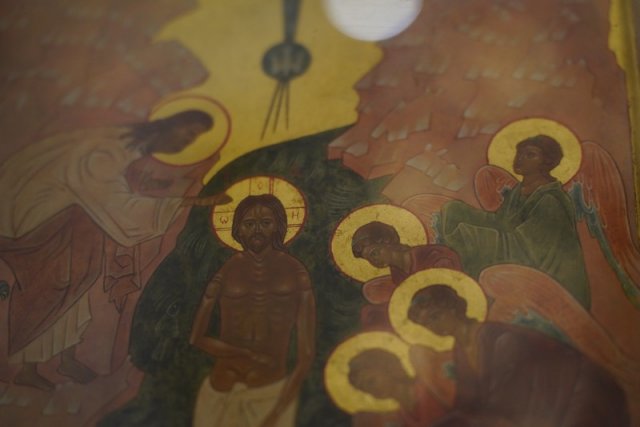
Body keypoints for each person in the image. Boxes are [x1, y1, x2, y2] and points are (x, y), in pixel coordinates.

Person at [0, 110, 230, 391]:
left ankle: (65, 358)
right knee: (55, 283)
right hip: (48, 220)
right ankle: (27, 367)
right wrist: (189, 202)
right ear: (170, 124)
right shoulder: (106, 151)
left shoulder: (130, 149)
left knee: (81, 278)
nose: (187, 143)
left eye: (194, 139)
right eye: (189, 134)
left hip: (77, 220)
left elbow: (115, 198)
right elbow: (114, 202)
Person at [408, 284, 630, 427]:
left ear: (454, 308)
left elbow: (507, 397)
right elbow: (467, 404)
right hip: (542, 409)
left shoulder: (500, 339)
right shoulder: (461, 351)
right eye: (426, 324)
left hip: (579, 398)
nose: (433, 327)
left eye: (435, 316)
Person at [190, 194, 316, 427]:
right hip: (219, 390)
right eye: (249, 224)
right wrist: (246, 354)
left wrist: (277, 411)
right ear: (238, 229)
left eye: (265, 223)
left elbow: (306, 354)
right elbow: (197, 337)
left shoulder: (296, 272)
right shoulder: (226, 271)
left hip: (269, 395)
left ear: (278, 226)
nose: (257, 230)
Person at [439, 135, 591, 308]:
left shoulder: (550, 201)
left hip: (550, 285)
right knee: (455, 210)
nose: (520, 158)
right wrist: (460, 212)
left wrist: (475, 236)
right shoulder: (519, 191)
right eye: (519, 153)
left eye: (530, 155)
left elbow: (526, 249)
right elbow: (502, 222)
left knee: (470, 237)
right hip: (524, 260)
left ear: (547, 162)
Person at [351, 221, 461, 329]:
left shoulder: (433, 255)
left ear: (387, 242)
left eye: (374, 253)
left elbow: (448, 288)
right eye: (369, 259)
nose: (373, 261)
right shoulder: (397, 275)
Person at [348, 348, 446, 427]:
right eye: (364, 389)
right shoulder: (400, 418)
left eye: (371, 381)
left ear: (388, 369)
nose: (371, 391)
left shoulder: (431, 386)